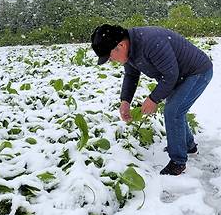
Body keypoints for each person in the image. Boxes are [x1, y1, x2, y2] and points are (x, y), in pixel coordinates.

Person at [90, 24, 213, 175]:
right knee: (176, 109)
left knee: (173, 110)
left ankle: (178, 162)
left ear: (120, 45)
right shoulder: (129, 49)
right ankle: (188, 146)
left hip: (197, 72)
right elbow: (131, 75)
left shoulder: (151, 42)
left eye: (110, 56)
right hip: (180, 74)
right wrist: (125, 101)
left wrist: (153, 99)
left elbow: (170, 75)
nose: (111, 60)